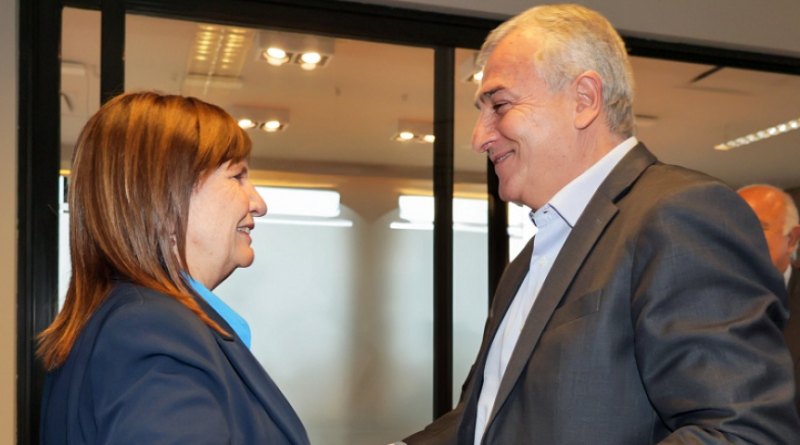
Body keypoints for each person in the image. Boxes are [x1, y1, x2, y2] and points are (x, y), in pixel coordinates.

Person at [395, 4, 800, 445]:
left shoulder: (678, 215)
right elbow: (485, 417)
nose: (479, 137)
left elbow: (743, 433)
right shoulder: (531, 258)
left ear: (584, 99)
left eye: (500, 105)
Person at [38, 91, 310, 444]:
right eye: (237, 177)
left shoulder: (123, 322)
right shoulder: (150, 330)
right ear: (165, 196)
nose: (259, 203)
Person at [738, 184, 800, 414]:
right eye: (732, 228)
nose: (740, 238)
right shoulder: (698, 303)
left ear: (791, 239)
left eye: (757, 227)